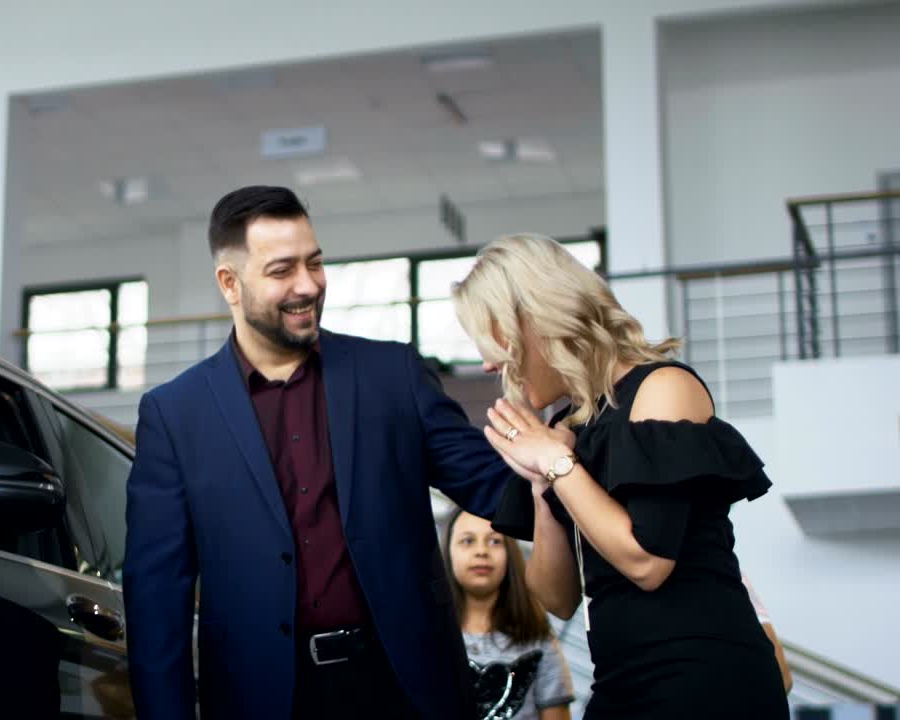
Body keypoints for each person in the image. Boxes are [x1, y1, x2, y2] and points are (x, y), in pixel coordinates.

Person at [123, 186, 520, 720]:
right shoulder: (175, 416)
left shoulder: (393, 375)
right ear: (230, 284)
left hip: (404, 688)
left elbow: (494, 488)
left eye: (315, 263)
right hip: (262, 699)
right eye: (282, 269)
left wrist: (574, 472)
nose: (307, 285)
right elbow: (157, 598)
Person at [450, 232, 789, 719]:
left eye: (493, 341)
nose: (487, 363)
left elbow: (648, 563)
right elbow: (557, 598)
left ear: (536, 322)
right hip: (623, 682)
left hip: (704, 679)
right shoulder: (566, 432)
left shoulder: (664, 388)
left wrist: (559, 465)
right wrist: (542, 485)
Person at [443, 509, 574, 720]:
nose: (481, 551)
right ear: (447, 552)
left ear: (510, 554)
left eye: (494, 541)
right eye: (468, 541)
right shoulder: (424, 635)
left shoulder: (540, 641)